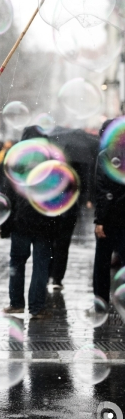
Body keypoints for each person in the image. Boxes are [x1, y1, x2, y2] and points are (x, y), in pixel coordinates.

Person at [0, 127, 58, 319]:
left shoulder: (17, 162)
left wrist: (6, 223)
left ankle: (16, 303)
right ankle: (37, 307)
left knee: (17, 262)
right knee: (40, 265)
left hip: (20, 221)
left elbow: (8, 195)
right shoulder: (50, 162)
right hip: (43, 222)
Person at [93, 119, 125, 304]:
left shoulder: (105, 155)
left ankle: (101, 301)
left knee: (102, 263)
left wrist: (100, 220)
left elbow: (102, 190)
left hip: (110, 218)